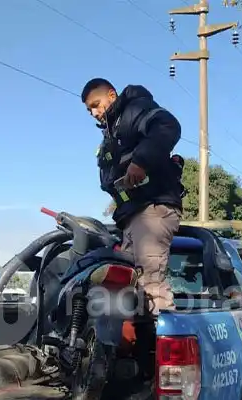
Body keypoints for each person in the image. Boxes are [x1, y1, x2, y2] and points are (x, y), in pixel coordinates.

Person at [81, 78, 184, 317]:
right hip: (132, 214)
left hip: (153, 208)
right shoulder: (112, 131)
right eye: (89, 110)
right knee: (127, 287)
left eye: (96, 105)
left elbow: (168, 126)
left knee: (150, 285)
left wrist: (141, 161)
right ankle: (129, 348)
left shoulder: (134, 110)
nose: (94, 113)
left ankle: (161, 346)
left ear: (111, 95)